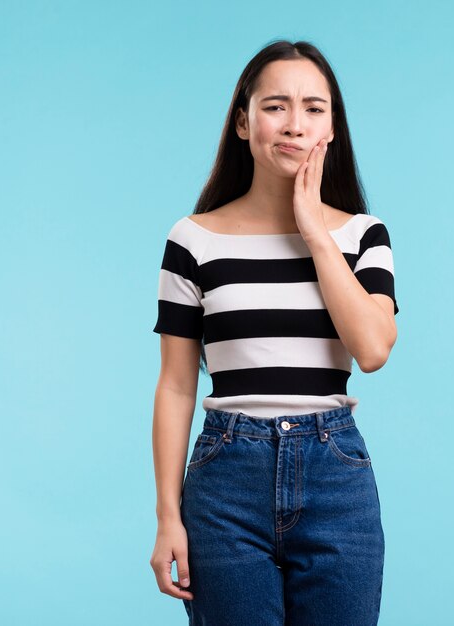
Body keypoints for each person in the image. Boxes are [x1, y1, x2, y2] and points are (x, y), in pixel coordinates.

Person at [149, 39, 399, 626]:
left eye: (314, 108)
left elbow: (372, 349)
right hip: (225, 481)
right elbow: (176, 385)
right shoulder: (193, 240)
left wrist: (313, 228)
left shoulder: (363, 235)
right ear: (243, 121)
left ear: (331, 129)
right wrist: (167, 516)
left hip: (336, 477)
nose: (294, 124)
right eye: (275, 106)